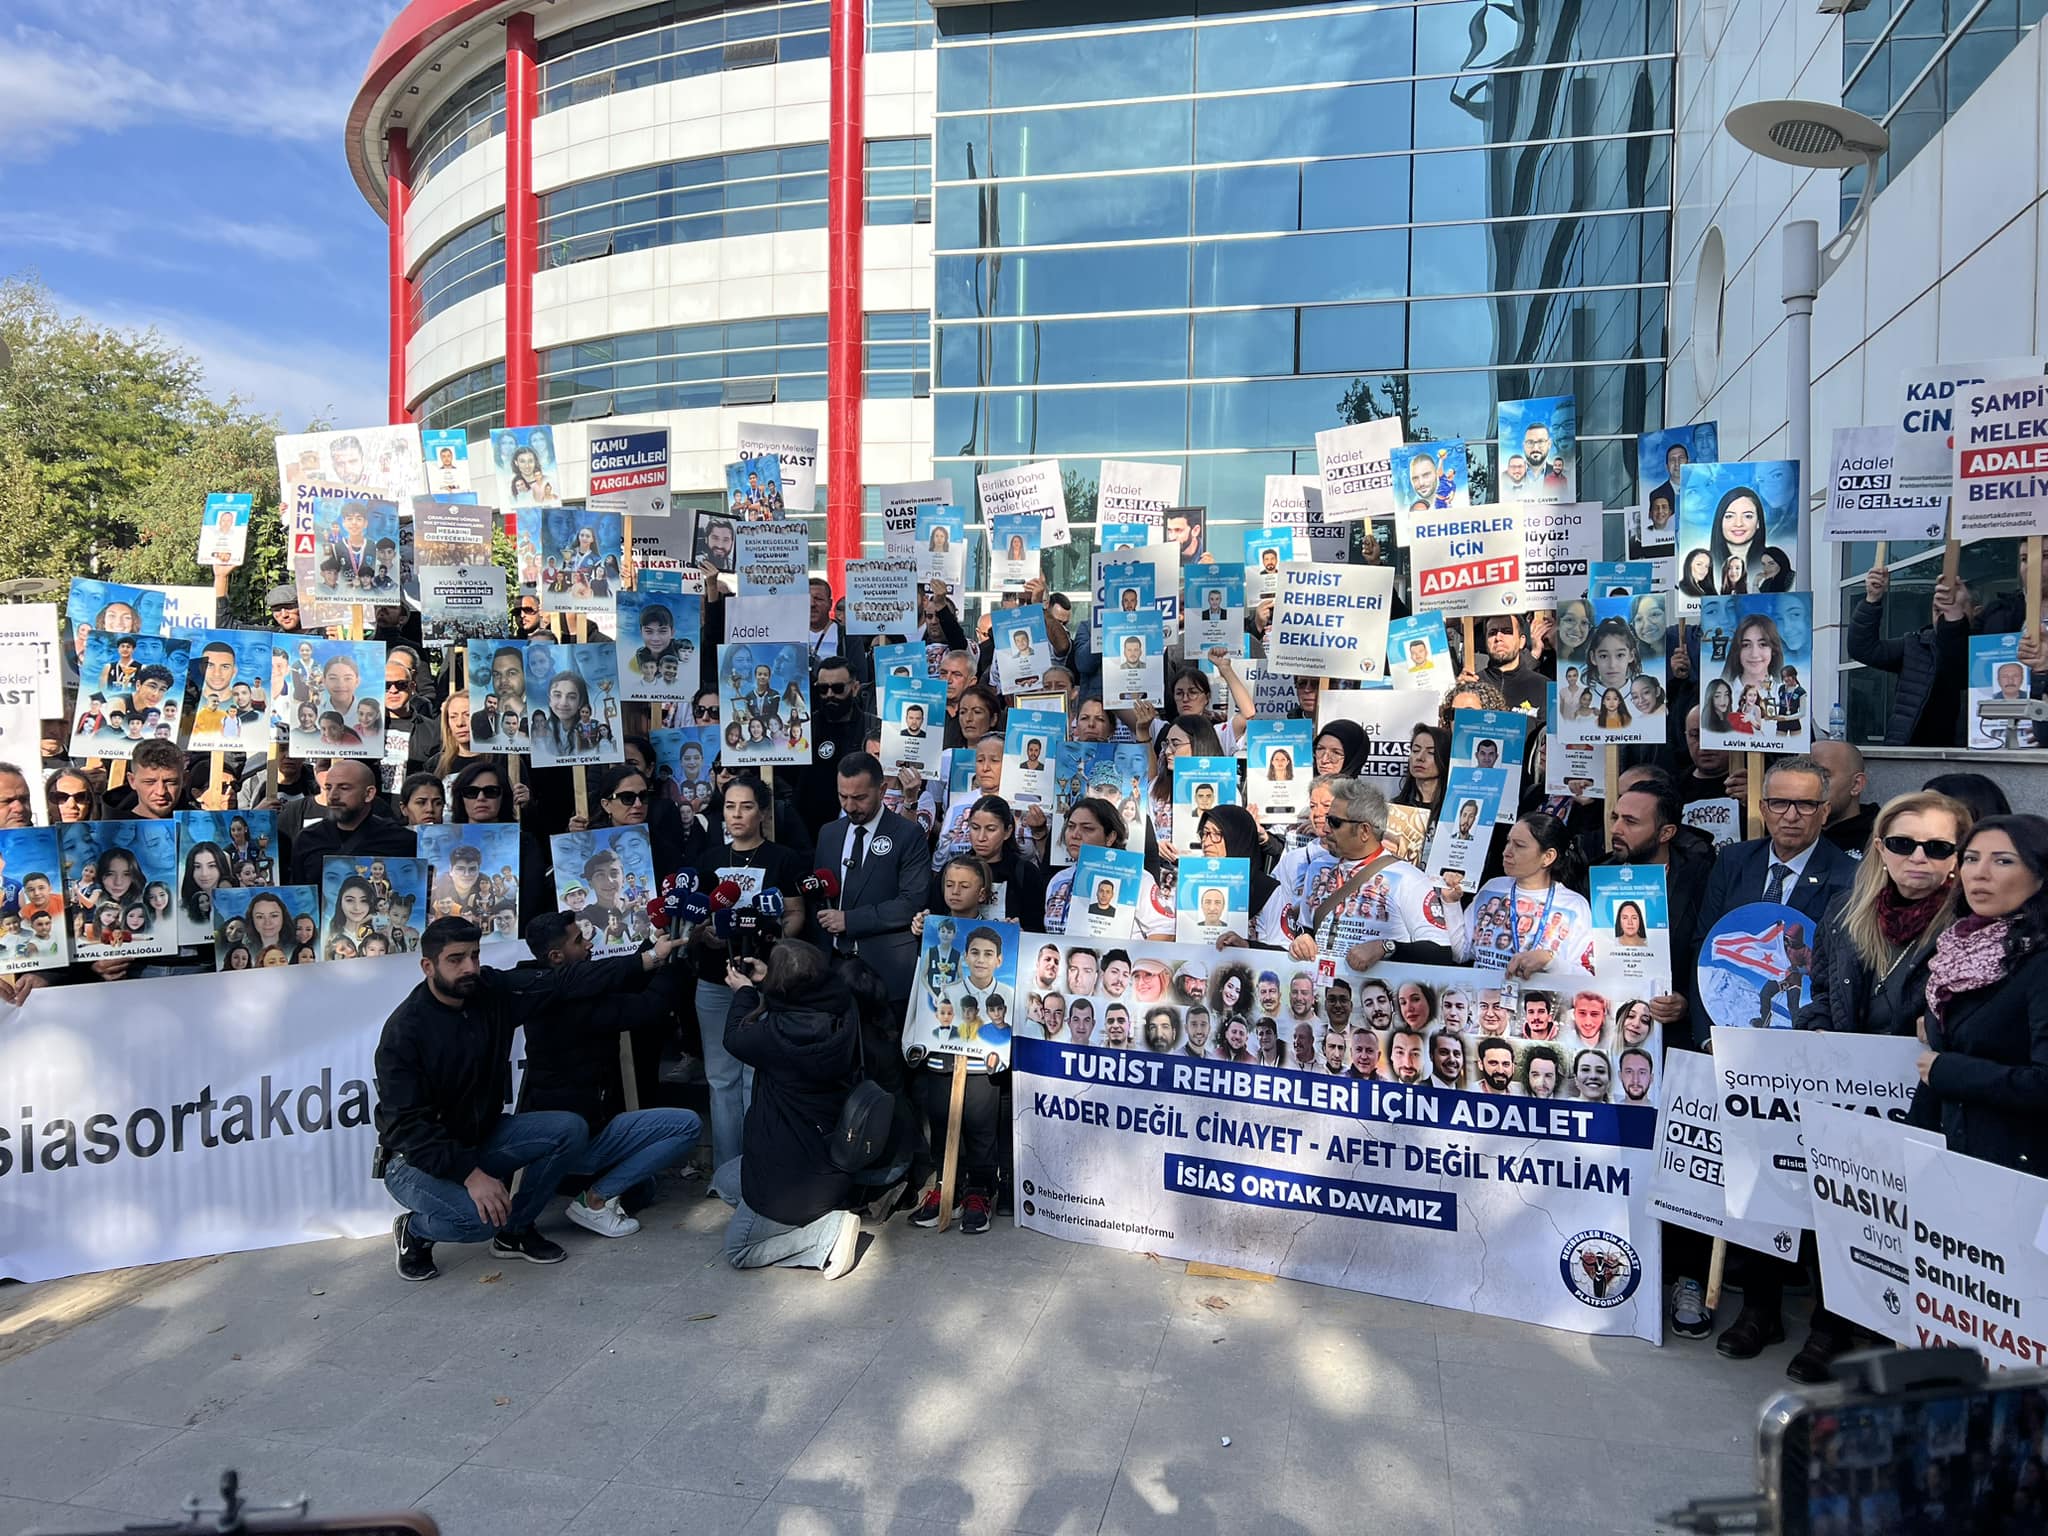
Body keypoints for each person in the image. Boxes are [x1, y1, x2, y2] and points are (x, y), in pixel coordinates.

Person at [378, 916, 687, 1281]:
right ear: (428, 966)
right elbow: (408, 1127)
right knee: (480, 1222)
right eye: (456, 959)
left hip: (481, 1138)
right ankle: (414, 1230)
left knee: (569, 1128)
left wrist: (650, 958)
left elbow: (564, 981)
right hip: (414, 1161)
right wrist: (471, 1175)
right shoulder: (405, 1032)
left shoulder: (490, 990)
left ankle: (515, 1232)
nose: (470, 968)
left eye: (474, 955)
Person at [1782, 790, 1971, 1381]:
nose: (1919, 858)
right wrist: (1815, 1034)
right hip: (1849, 1096)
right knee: (1840, 1208)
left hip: (1928, 1102)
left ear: (1959, 858)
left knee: (1915, 1224)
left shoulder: (1971, 927)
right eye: (1903, 843)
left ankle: (1894, 1336)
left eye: (1937, 847)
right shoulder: (1845, 910)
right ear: (1880, 849)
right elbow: (1819, 993)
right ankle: (1828, 1325)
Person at [1694, 756, 1857, 1363]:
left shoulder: (1849, 875)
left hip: (1815, 1050)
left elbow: (1846, 968)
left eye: (1805, 804)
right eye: (1779, 803)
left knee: (1821, 1188)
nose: (1791, 815)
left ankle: (1828, 1324)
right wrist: (1709, 1035)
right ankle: (1759, 1310)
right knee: (1758, 1176)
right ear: (1762, 807)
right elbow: (1705, 949)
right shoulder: (1734, 861)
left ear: (1826, 810)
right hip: (1740, 1047)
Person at [513, 912, 701, 1238]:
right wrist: (678, 962)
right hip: (577, 1141)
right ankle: (595, 1200)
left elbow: (614, 976)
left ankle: (595, 1184)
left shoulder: (543, 985)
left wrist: (652, 946)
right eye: (578, 941)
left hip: (578, 1131)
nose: (589, 944)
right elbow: (647, 1006)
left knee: (643, 1187)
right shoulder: (568, 1004)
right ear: (556, 957)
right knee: (686, 1126)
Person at [718, 939, 867, 1278]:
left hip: (786, 1176)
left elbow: (733, 1038)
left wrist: (745, 993)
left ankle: (825, 1234)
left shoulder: (773, 1035)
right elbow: (806, 994)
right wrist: (770, 980)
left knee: (738, 1250)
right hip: (832, 1158)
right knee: (723, 1181)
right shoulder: (845, 1007)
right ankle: (805, 1216)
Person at [1909, 814, 2048, 1175]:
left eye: (2003, 861)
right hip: (1949, 1161)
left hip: (2021, 1172)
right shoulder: (1957, 950)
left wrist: (1950, 1071)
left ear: (2040, 874)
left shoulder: (2040, 961)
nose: (1979, 873)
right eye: (1971, 858)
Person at [1280, 780, 1462, 968]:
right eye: (1327, 819)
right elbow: (1307, 928)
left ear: (1364, 831)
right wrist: (1302, 940)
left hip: (1376, 985)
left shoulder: (1408, 878)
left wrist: (1385, 947)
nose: (1326, 829)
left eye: (1334, 822)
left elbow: (1440, 952)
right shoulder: (1318, 867)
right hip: (1322, 981)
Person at [810, 753, 928, 1004]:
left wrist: (849, 920)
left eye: (859, 798)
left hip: (886, 972)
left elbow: (911, 902)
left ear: (882, 790)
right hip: (832, 973)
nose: (850, 806)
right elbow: (819, 895)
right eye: (843, 796)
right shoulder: (829, 833)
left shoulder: (908, 834)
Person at [1848, 565, 1977, 746]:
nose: (1944, 616)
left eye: (1955, 607)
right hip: (1911, 752)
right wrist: (1872, 599)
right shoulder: (1917, 646)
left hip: (1975, 750)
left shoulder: (1990, 649)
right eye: (1938, 610)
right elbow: (1863, 649)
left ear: (1976, 611)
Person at [1462, 814, 1594, 977]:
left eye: (1519, 845)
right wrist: (1450, 902)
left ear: (1548, 857)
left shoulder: (1574, 905)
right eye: (1508, 842)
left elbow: (1586, 976)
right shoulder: (1492, 887)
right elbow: (1461, 952)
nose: (1506, 852)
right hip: (1484, 992)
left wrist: (1550, 962)